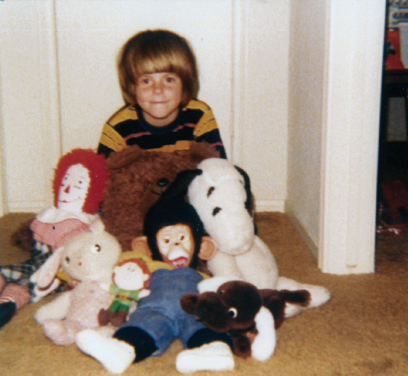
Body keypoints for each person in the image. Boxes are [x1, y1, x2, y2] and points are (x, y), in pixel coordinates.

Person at [76, 198, 235, 374]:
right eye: (166, 240)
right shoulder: (147, 266)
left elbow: (225, 291)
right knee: (144, 323)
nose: (176, 245)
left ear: (202, 246)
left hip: (195, 306)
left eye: (182, 238)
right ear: (146, 247)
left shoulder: (204, 276)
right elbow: (121, 270)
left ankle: (215, 351)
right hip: (155, 309)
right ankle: (121, 350)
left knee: (205, 320)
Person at [97, 29, 226, 159]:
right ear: (132, 87)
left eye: (169, 80)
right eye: (146, 81)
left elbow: (218, 169)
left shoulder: (199, 116)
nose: (158, 90)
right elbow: (102, 177)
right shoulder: (118, 128)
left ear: (185, 83)